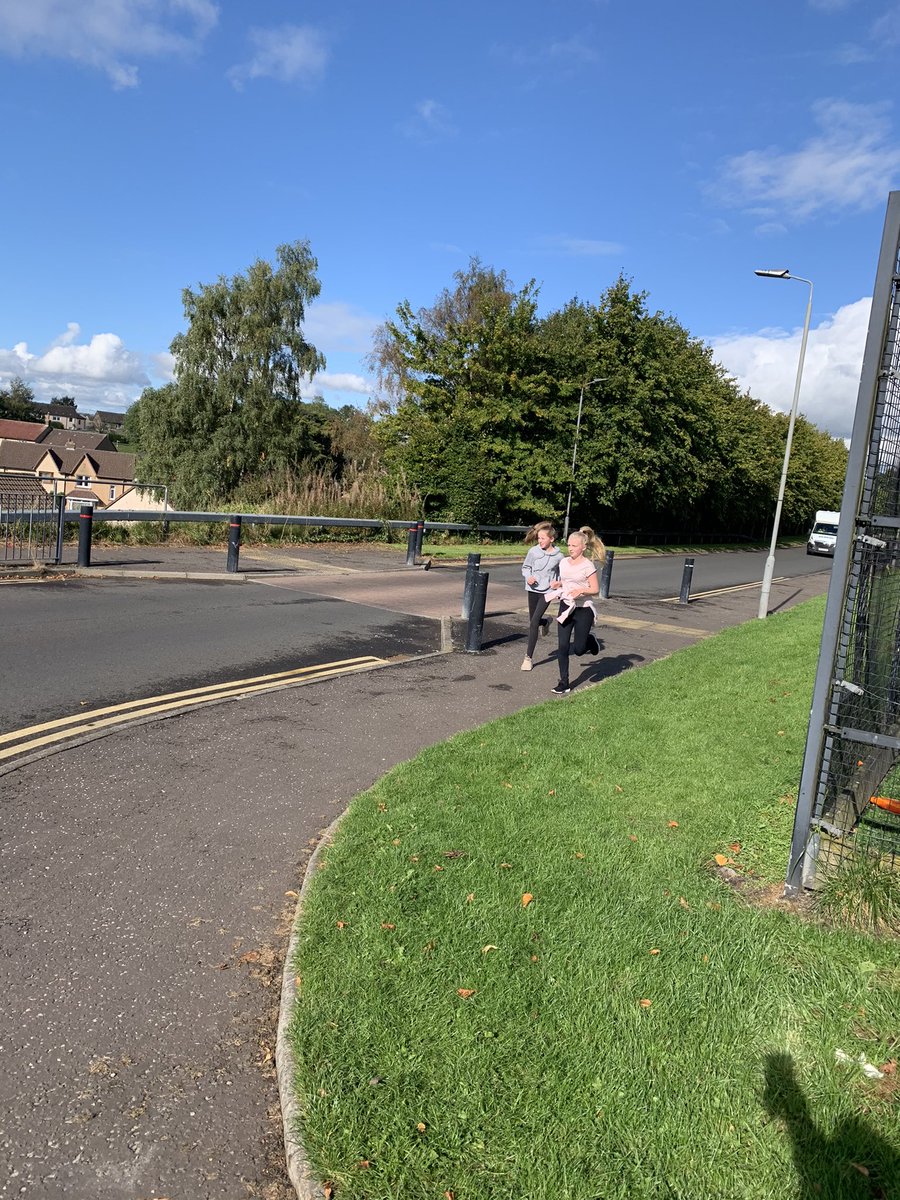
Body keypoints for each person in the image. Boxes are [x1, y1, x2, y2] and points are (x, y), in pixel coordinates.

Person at [548, 526, 606, 694]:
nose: (570, 548)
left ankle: (590, 640)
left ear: (583, 547)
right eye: (569, 545)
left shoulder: (588, 565)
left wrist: (581, 591)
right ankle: (564, 683)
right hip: (566, 606)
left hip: (583, 610)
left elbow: (595, 589)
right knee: (563, 646)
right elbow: (567, 581)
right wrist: (559, 584)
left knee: (579, 650)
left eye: (574, 546)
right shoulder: (563, 562)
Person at [519, 521, 563, 671]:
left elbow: (562, 574)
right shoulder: (533, 551)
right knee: (534, 620)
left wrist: (558, 584)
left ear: (551, 539)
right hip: (533, 589)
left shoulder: (559, 556)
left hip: (547, 592)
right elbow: (526, 567)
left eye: (543, 538)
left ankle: (528, 658)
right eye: (538, 538)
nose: (540, 541)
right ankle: (545, 622)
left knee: (533, 623)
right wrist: (528, 577)